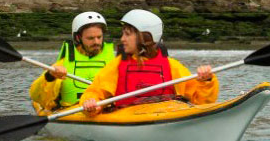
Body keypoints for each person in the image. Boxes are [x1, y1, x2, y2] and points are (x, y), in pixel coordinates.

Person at [80, 9, 218, 114]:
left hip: (166, 115)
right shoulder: (116, 66)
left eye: (127, 34)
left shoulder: (172, 67)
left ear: (144, 37)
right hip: (128, 121)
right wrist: (91, 103)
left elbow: (201, 101)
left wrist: (206, 81)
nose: (122, 39)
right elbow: (95, 92)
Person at [29, 11, 117, 111]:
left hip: (107, 110)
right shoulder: (62, 65)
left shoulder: (114, 61)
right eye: (90, 38)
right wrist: (50, 76)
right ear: (78, 37)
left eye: (99, 37)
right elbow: (36, 97)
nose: (96, 42)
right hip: (73, 111)